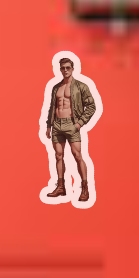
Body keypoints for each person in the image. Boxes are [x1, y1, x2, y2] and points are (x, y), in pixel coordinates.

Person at [44, 58, 96, 202]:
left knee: (77, 155)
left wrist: (79, 123)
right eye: (62, 68)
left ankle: (85, 189)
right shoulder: (56, 87)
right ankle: (61, 187)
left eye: (68, 67)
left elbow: (91, 106)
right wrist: (49, 125)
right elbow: (52, 107)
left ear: (73, 69)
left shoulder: (81, 86)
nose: (65, 70)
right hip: (57, 125)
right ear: (60, 69)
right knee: (58, 156)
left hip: (72, 124)